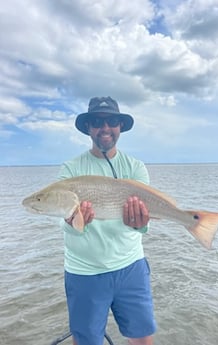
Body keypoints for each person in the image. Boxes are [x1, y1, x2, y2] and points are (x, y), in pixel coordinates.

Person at [58, 96, 156, 345]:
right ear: (88, 128)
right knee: (87, 341)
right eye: (97, 122)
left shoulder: (136, 167)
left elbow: (143, 225)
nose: (105, 128)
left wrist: (140, 222)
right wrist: (72, 222)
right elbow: (65, 223)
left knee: (143, 337)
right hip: (85, 271)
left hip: (131, 266)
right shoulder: (70, 169)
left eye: (112, 121)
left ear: (120, 126)